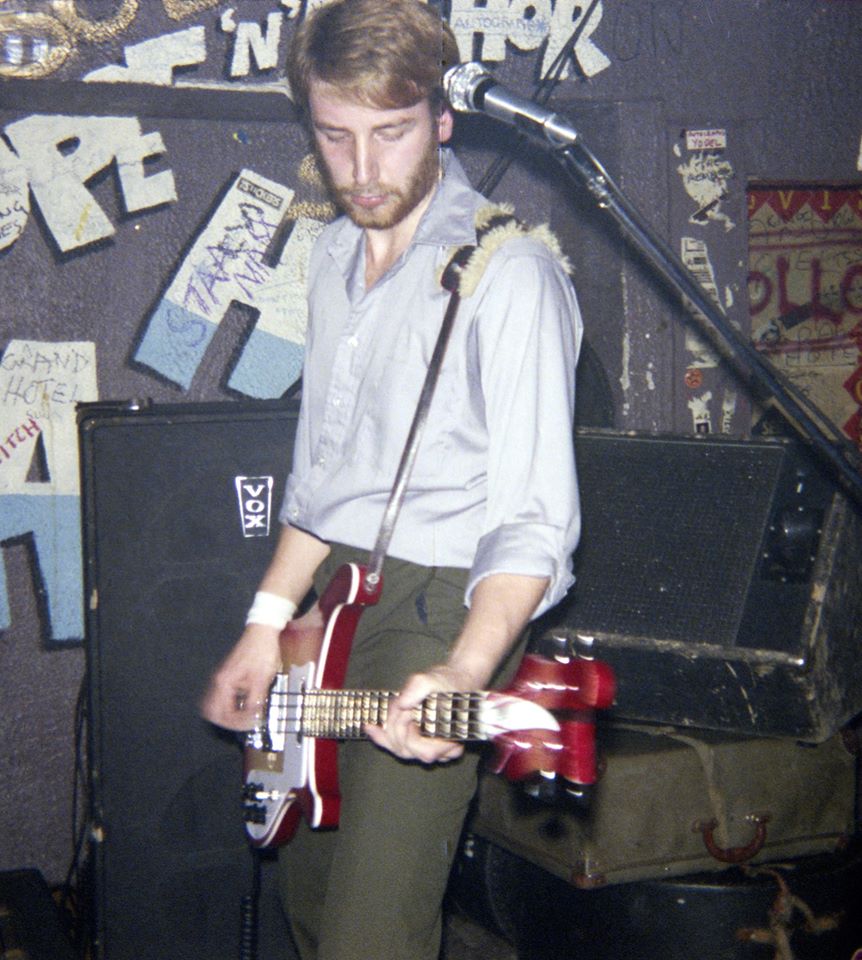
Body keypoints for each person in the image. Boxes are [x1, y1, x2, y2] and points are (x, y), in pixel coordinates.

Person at [201, 1, 582, 957]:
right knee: (311, 911)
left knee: (370, 938)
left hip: (445, 605)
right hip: (335, 607)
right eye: (336, 136)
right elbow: (322, 480)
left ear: (443, 119)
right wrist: (264, 626)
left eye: (392, 132)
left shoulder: (511, 273)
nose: (363, 168)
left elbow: (533, 522)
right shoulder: (332, 255)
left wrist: (464, 669)